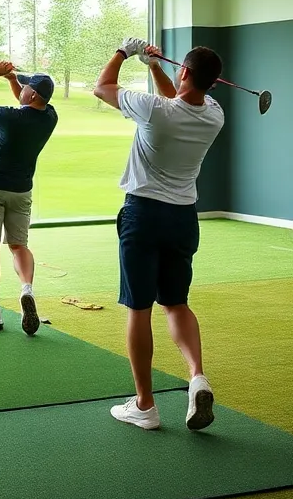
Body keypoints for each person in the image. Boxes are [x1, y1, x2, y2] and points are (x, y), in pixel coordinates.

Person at [92, 37, 225, 431]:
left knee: (139, 308)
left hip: (144, 215)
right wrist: (154, 66)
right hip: (183, 218)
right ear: (213, 84)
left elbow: (103, 88)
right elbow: (181, 100)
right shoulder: (215, 114)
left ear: (184, 71)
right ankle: (197, 376)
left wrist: (122, 51)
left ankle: (145, 405)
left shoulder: (154, 111)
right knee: (177, 303)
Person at [0, 59, 58, 335]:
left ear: (31, 94)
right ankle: (26, 288)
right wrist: (11, 80)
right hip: (21, 191)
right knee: (18, 246)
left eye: (26, 87)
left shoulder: (9, 117)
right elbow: (26, 98)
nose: (23, 88)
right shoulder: (50, 116)